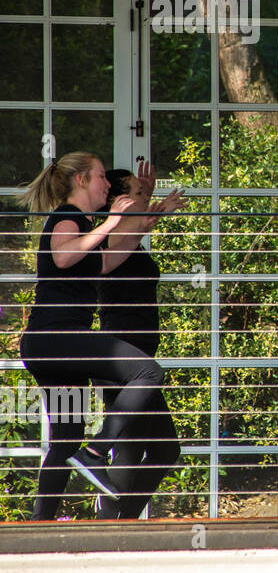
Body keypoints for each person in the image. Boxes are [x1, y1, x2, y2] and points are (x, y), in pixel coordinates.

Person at [16, 154, 178, 518]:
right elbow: (62, 256)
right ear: (81, 181)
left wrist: (141, 223)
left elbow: (107, 261)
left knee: (65, 440)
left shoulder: (86, 224)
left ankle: (39, 529)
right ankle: (96, 450)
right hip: (56, 338)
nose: (107, 184)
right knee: (148, 372)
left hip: (55, 348)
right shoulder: (67, 217)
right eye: (101, 177)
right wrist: (110, 223)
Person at [93, 165, 183, 519]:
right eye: (133, 191)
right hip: (122, 358)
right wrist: (150, 203)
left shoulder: (127, 235)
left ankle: (124, 521)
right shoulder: (111, 234)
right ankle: (108, 530)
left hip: (140, 359)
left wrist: (148, 196)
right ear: (118, 201)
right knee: (130, 448)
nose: (140, 197)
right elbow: (138, 224)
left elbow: (141, 225)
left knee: (164, 449)